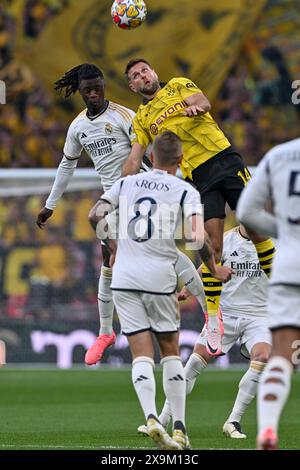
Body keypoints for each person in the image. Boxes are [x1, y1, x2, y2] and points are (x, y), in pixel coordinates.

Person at [35, 63, 210, 366]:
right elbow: (67, 165)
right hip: (113, 198)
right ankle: (105, 332)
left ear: (103, 85)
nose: (93, 94)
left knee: (162, 251)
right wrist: (51, 204)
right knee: (109, 258)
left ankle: (211, 313)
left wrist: (169, 180)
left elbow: (144, 149)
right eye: (87, 89)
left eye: (98, 87)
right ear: (80, 91)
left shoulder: (124, 116)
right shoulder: (77, 128)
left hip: (140, 192)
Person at [122, 58, 275, 356]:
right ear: (133, 86)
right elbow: (135, 154)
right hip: (198, 176)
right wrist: (124, 182)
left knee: (254, 226)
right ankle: (214, 317)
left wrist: (195, 108)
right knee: (211, 245)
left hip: (224, 159)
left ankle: (283, 298)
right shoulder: (141, 119)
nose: (143, 76)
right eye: (136, 76)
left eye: (145, 71)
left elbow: (202, 102)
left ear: (154, 72)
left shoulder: (179, 84)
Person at [89, 131, 232, 450]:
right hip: (160, 279)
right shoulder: (185, 190)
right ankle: (179, 428)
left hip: (123, 278)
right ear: (180, 160)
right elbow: (197, 239)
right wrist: (213, 269)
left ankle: (152, 416)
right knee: (169, 351)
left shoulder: (126, 183)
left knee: (141, 354)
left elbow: (94, 214)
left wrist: (112, 245)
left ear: (151, 158)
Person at [137, 224, 271, 439]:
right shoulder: (226, 239)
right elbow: (206, 266)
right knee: (194, 364)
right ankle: (162, 419)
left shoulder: (273, 241)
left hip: (260, 316)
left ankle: (233, 420)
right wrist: (188, 289)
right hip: (224, 314)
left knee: (263, 357)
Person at [237, 138, 300, 450]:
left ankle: (268, 429)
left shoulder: (279, 155)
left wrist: (286, 233)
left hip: (288, 265)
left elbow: (246, 211)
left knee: (282, 354)